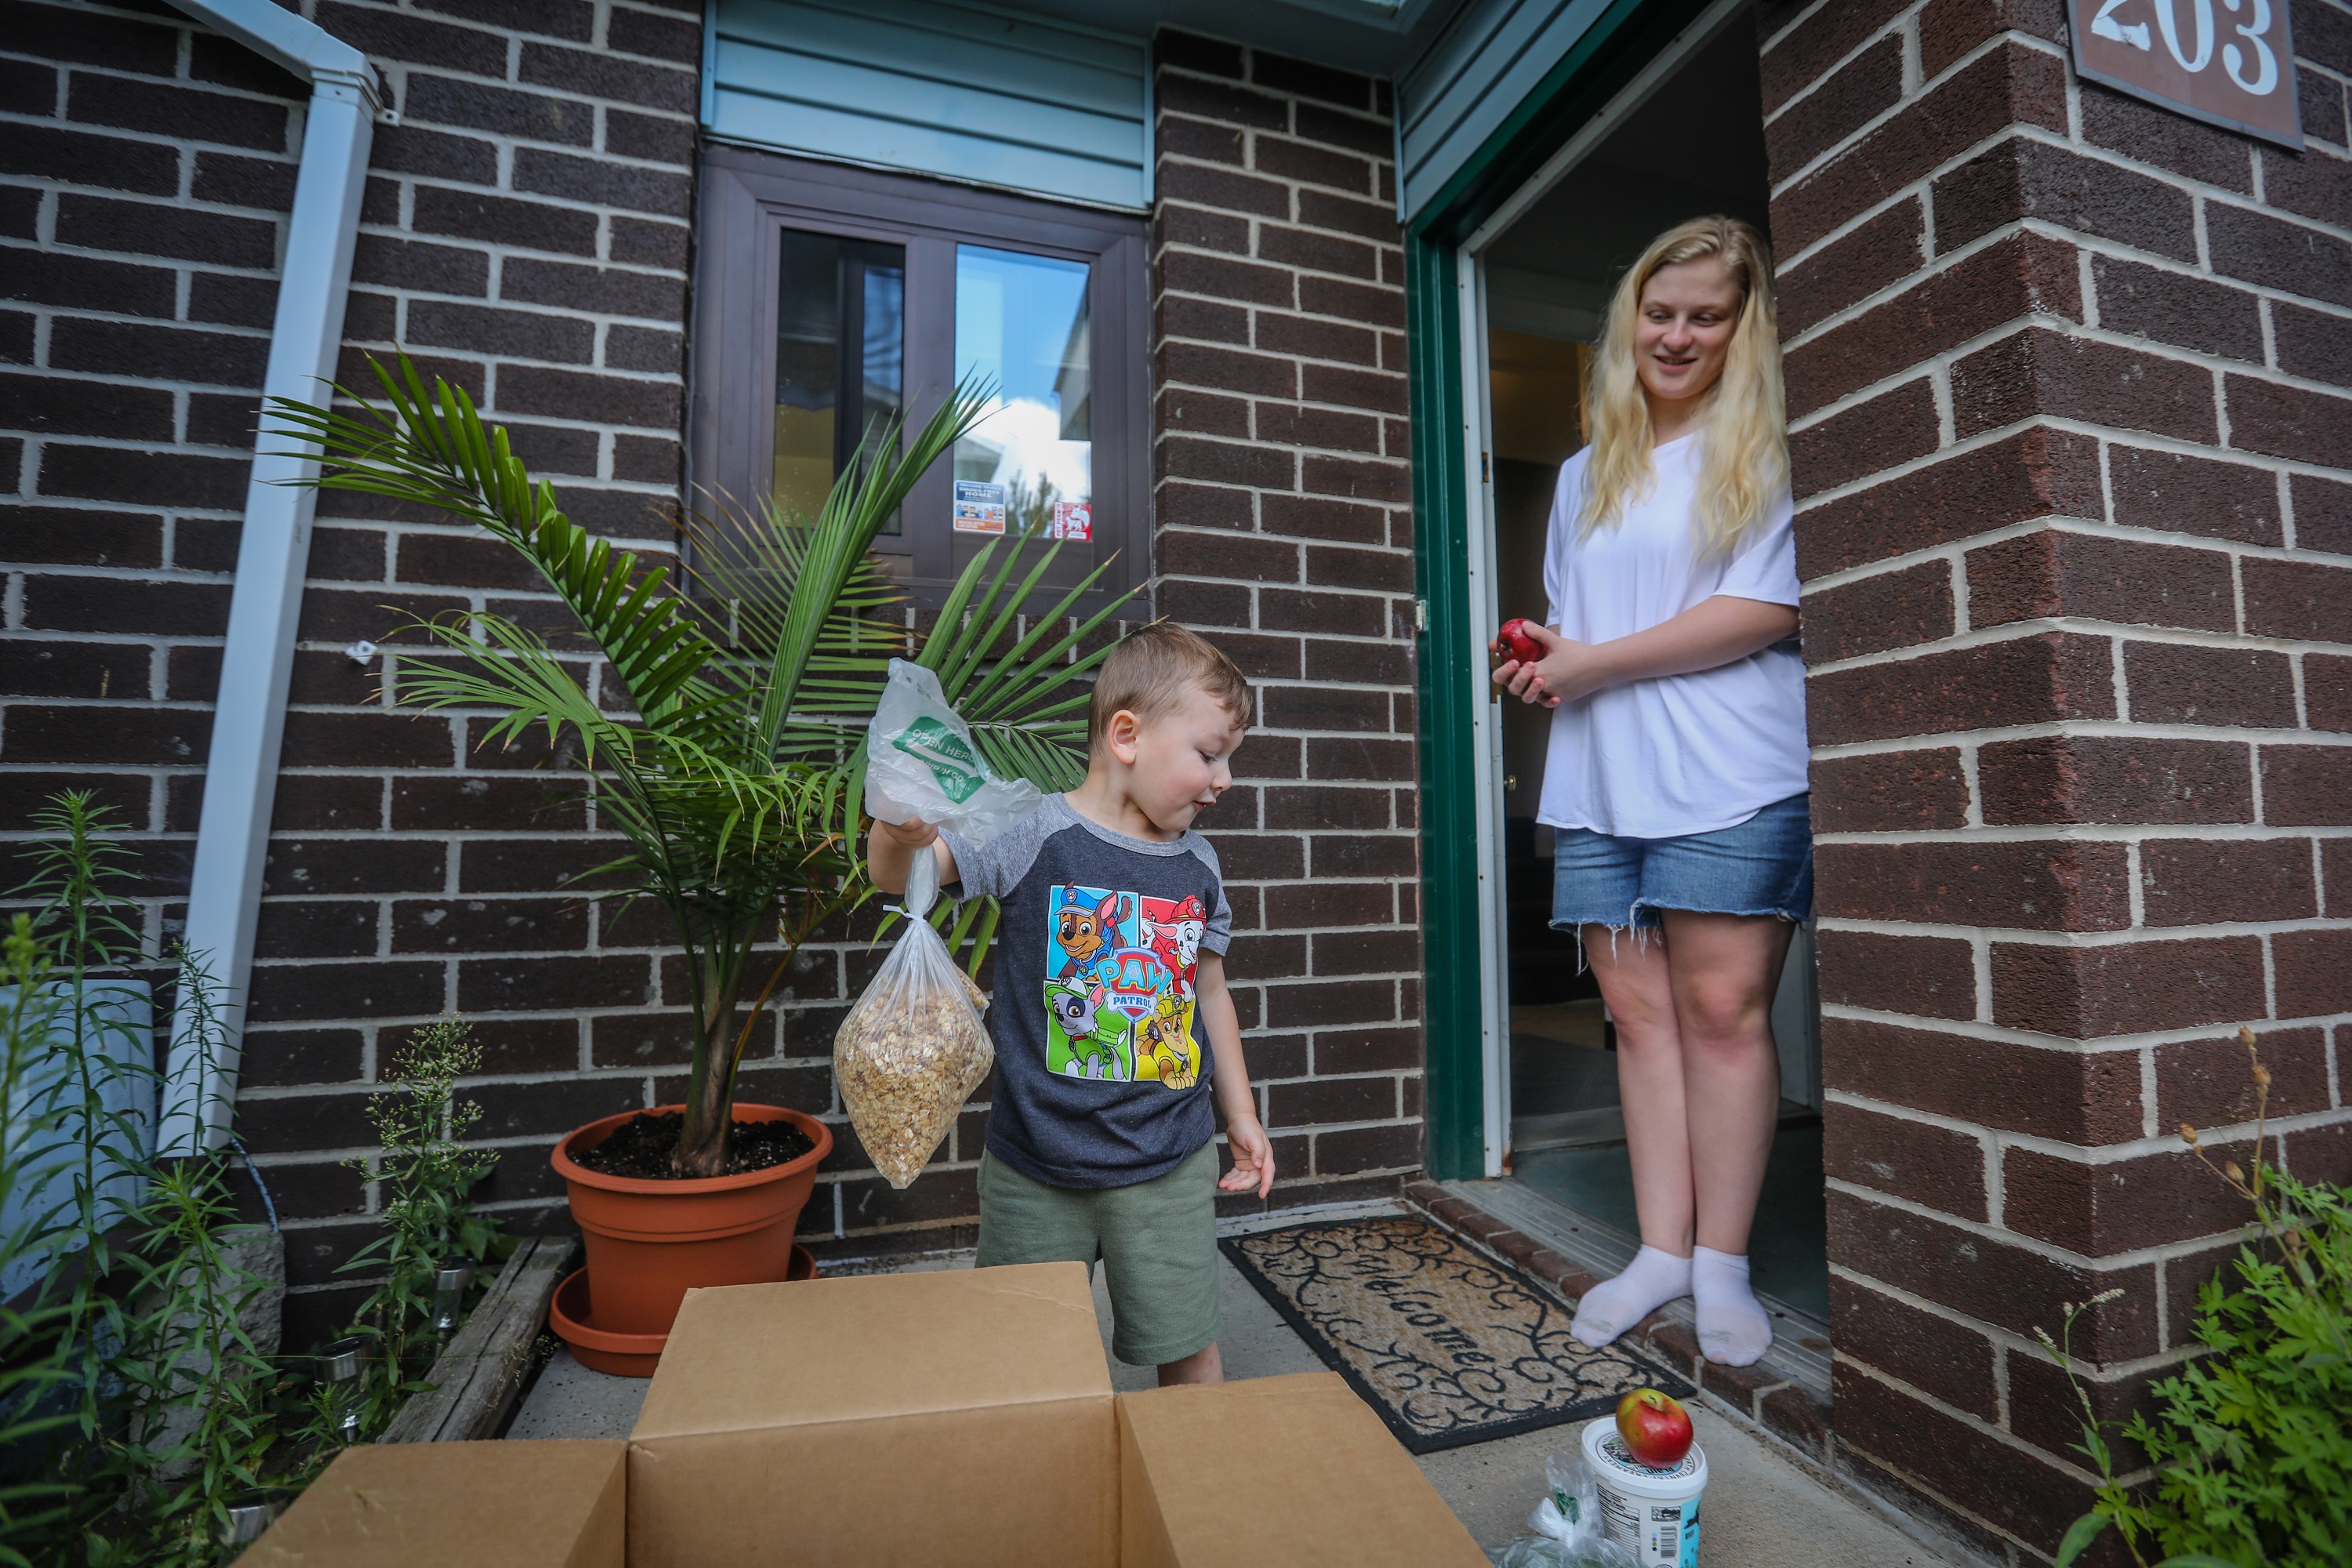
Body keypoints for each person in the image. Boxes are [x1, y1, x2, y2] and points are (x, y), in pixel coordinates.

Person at [1492, 215, 1806, 1368]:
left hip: (1728, 772)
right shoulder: (1587, 471)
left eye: (1705, 316)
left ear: (1741, 329)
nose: (1675, 335)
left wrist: (1591, 662)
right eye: (1658, 312)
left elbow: (1766, 613)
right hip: (1599, 777)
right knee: (1637, 1022)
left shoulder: (1765, 447)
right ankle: (1661, 1252)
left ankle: (1722, 1261)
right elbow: (1588, 630)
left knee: (1723, 1016)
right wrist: (1545, 658)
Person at [866, 622, 1276, 1385]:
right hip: (1035, 1168)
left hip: (1168, 1163)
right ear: (1127, 734)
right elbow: (901, 877)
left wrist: (1241, 1113)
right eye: (1209, 754)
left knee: (1188, 1346)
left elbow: (1209, 990)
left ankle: (1191, 1483)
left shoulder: (1198, 863)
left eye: (1229, 760)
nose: (1225, 780)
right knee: (1023, 1360)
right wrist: (897, 827)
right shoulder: (1033, 833)